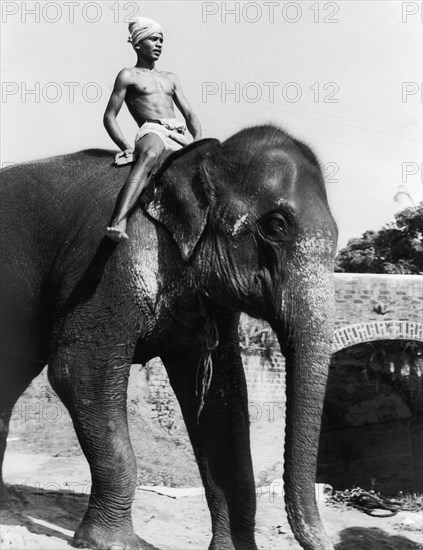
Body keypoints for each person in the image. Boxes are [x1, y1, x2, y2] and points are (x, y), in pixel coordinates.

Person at [104, 17, 202, 242]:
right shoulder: (128, 75)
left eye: (161, 40)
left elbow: (189, 115)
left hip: (178, 133)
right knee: (149, 155)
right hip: (151, 130)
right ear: (138, 43)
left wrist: (198, 139)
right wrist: (126, 147)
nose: (159, 44)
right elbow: (109, 116)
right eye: (154, 39)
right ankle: (119, 221)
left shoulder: (170, 78)